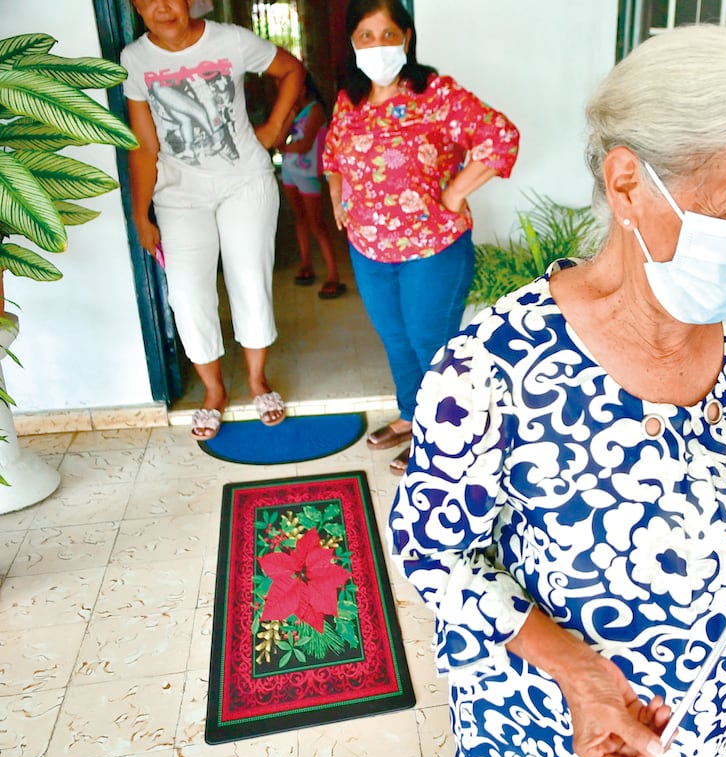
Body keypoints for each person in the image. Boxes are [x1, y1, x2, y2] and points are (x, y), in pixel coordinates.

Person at [390, 24, 726, 757]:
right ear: (626, 183)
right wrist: (578, 672)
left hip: (708, 712)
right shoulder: (493, 366)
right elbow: (432, 557)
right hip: (551, 728)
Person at [322, 0, 519, 475]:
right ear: (353, 43)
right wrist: (337, 198)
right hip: (369, 248)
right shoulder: (349, 99)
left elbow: (501, 137)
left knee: (431, 341)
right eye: (365, 36)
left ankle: (441, 438)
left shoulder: (435, 93)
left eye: (386, 34)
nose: (376, 45)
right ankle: (414, 418)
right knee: (395, 339)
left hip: (432, 249)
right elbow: (331, 153)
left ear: (406, 37)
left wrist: (454, 193)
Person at [123, 0, 304, 440]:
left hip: (245, 180)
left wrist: (273, 130)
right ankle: (214, 391)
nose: (160, 8)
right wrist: (139, 211)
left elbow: (291, 70)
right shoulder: (136, 59)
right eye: (147, 1)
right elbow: (144, 145)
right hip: (178, 194)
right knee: (186, 293)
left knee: (249, 278)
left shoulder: (231, 40)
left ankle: (258, 381)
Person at [278, 75, 342, 298]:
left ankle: (333, 274)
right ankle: (306, 264)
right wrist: (290, 116)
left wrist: (285, 148)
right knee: (300, 219)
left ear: (303, 87)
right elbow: (278, 139)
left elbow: (303, 145)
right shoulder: (293, 111)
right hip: (290, 171)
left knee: (317, 223)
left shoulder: (315, 110)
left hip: (307, 173)